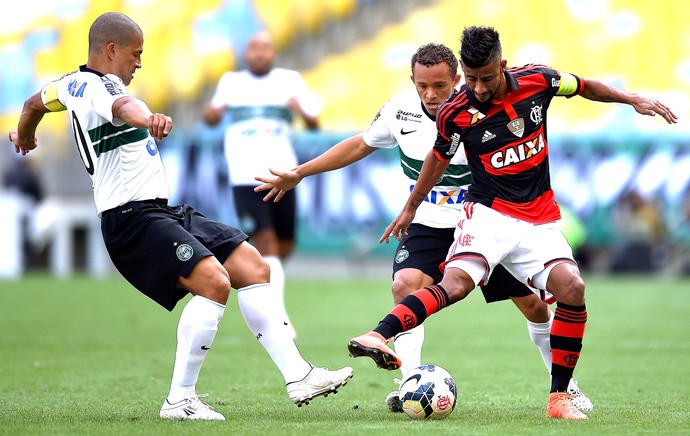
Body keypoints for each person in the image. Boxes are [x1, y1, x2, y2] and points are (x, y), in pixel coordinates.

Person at [8, 12, 352, 421]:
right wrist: (147, 118)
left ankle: (299, 375)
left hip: (160, 210)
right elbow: (123, 106)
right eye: (135, 54)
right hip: (130, 218)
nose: (139, 62)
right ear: (111, 50)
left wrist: (26, 135)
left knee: (252, 265)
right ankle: (180, 400)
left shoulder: (67, 85)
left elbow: (33, 103)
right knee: (214, 283)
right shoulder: (91, 85)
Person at [347, 26, 677, 421]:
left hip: (538, 219)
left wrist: (631, 99)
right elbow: (436, 159)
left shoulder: (539, 80)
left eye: (486, 77)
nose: (478, 87)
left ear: (502, 65)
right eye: (470, 79)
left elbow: (585, 85)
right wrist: (411, 206)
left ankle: (560, 397)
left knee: (571, 288)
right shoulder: (457, 112)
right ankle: (379, 334)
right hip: (488, 215)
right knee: (454, 284)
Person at [254, 43, 591, 413]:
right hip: (429, 224)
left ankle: (566, 386)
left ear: (457, 80)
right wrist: (300, 172)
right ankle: (409, 381)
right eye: (422, 86)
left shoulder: (476, 109)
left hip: (486, 223)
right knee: (405, 285)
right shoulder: (398, 111)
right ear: (412, 81)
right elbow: (358, 145)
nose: (431, 95)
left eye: (440, 86)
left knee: (535, 309)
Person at [203, 30, 320, 338]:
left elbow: (314, 121)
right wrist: (213, 111)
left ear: (273, 52)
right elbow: (211, 117)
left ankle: (265, 298)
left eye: (265, 48)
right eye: (254, 48)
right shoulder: (231, 82)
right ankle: (277, 318)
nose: (259, 53)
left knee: (283, 246)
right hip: (245, 176)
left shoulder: (289, 80)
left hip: (284, 174)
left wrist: (299, 107)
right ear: (246, 53)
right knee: (265, 242)